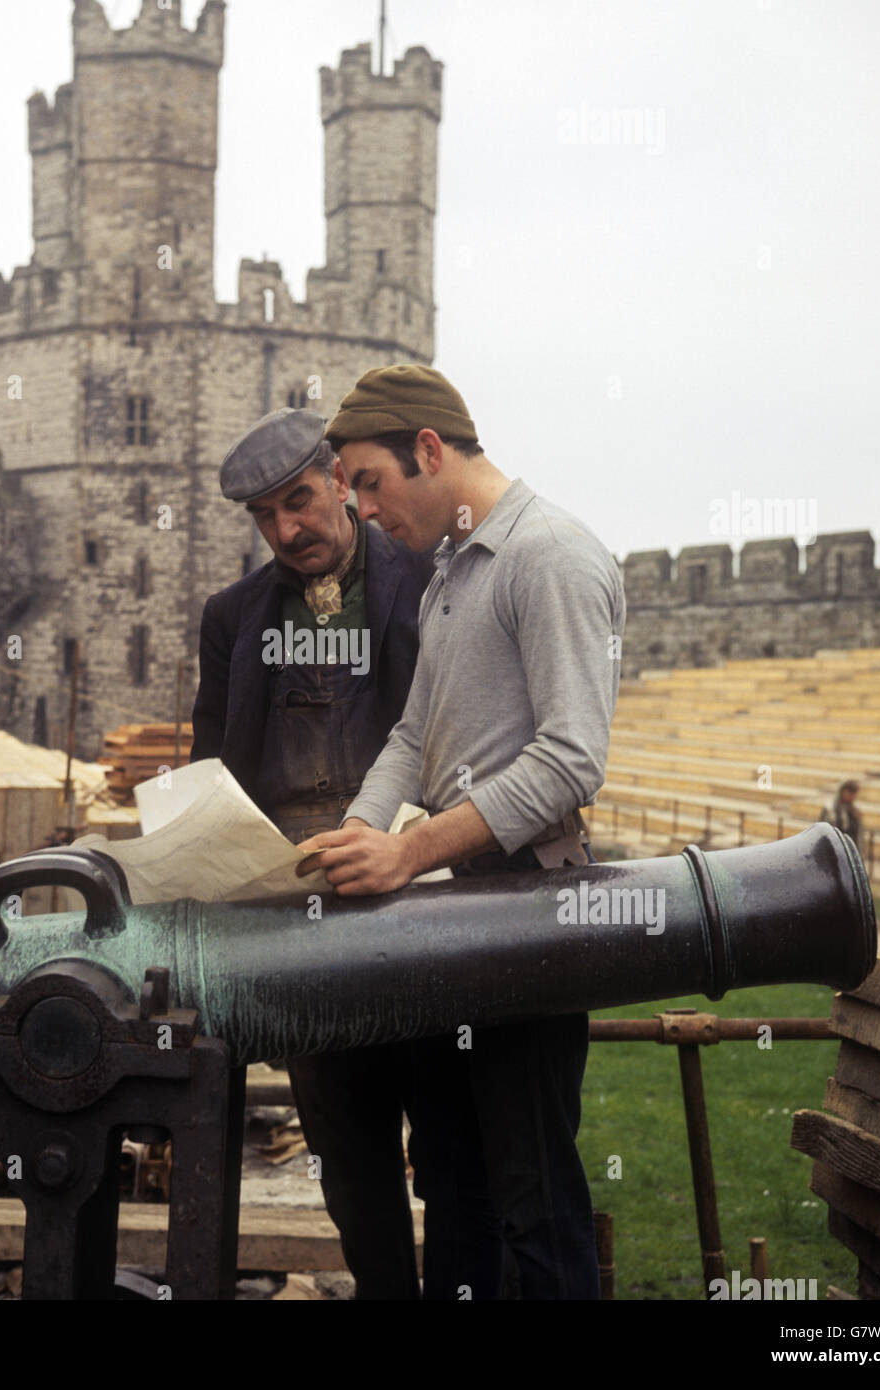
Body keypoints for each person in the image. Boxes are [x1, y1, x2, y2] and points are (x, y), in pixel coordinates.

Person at [297, 364, 626, 1300]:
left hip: (528, 913)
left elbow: (571, 760)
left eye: (367, 481)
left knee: (530, 1193)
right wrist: (348, 841)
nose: (357, 509)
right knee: (448, 1181)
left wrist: (407, 849)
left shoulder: (551, 555)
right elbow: (412, 735)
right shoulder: (452, 569)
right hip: (455, 916)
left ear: (429, 450)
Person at [189, 407, 433, 1299]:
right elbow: (210, 768)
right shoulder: (232, 618)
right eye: (264, 517)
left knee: (448, 1136)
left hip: (429, 907)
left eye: (299, 501)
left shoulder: (430, 577)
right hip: (303, 925)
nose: (287, 530)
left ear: (339, 481)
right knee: (344, 1146)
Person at [822, 780, 862, 850]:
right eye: (849, 793)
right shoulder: (830, 809)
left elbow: (858, 836)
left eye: (853, 794)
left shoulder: (855, 811)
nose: (851, 797)